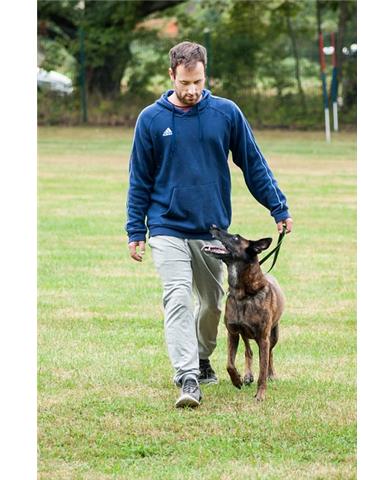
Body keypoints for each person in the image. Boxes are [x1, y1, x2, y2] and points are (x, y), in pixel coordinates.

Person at [125, 41, 293, 408]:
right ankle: (187, 377)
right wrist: (136, 230)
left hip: (211, 233)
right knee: (177, 297)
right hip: (166, 226)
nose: (192, 90)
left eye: (198, 81)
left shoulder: (226, 114)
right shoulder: (151, 120)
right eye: (185, 82)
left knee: (214, 304)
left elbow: (253, 163)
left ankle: (202, 358)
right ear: (171, 76)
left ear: (206, 75)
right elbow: (139, 178)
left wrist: (278, 207)